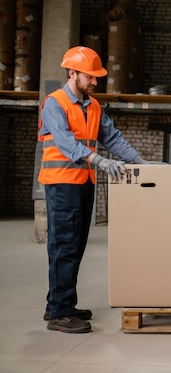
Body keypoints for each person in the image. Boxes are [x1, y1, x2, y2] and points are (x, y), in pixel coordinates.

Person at [38, 46, 156, 333]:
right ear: (72, 73)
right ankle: (60, 314)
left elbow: (112, 138)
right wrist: (98, 160)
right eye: (90, 77)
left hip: (84, 183)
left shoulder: (93, 106)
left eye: (96, 77)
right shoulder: (54, 103)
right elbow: (65, 142)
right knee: (63, 246)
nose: (94, 82)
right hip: (61, 184)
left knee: (75, 246)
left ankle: (59, 302)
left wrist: (143, 163)